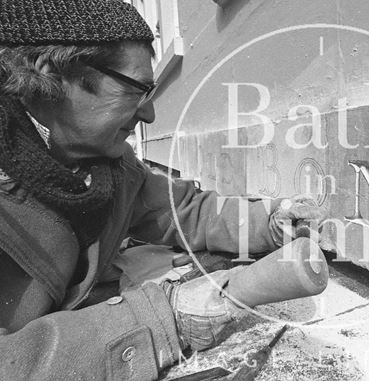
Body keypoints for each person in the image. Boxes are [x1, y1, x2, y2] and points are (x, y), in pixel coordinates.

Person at [0, 1, 327, 379]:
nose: (149, 115)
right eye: (135, 90)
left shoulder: (108, 169)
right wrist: (162, 317)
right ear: (54, 75)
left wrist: (269, 223)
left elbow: (184, 209)